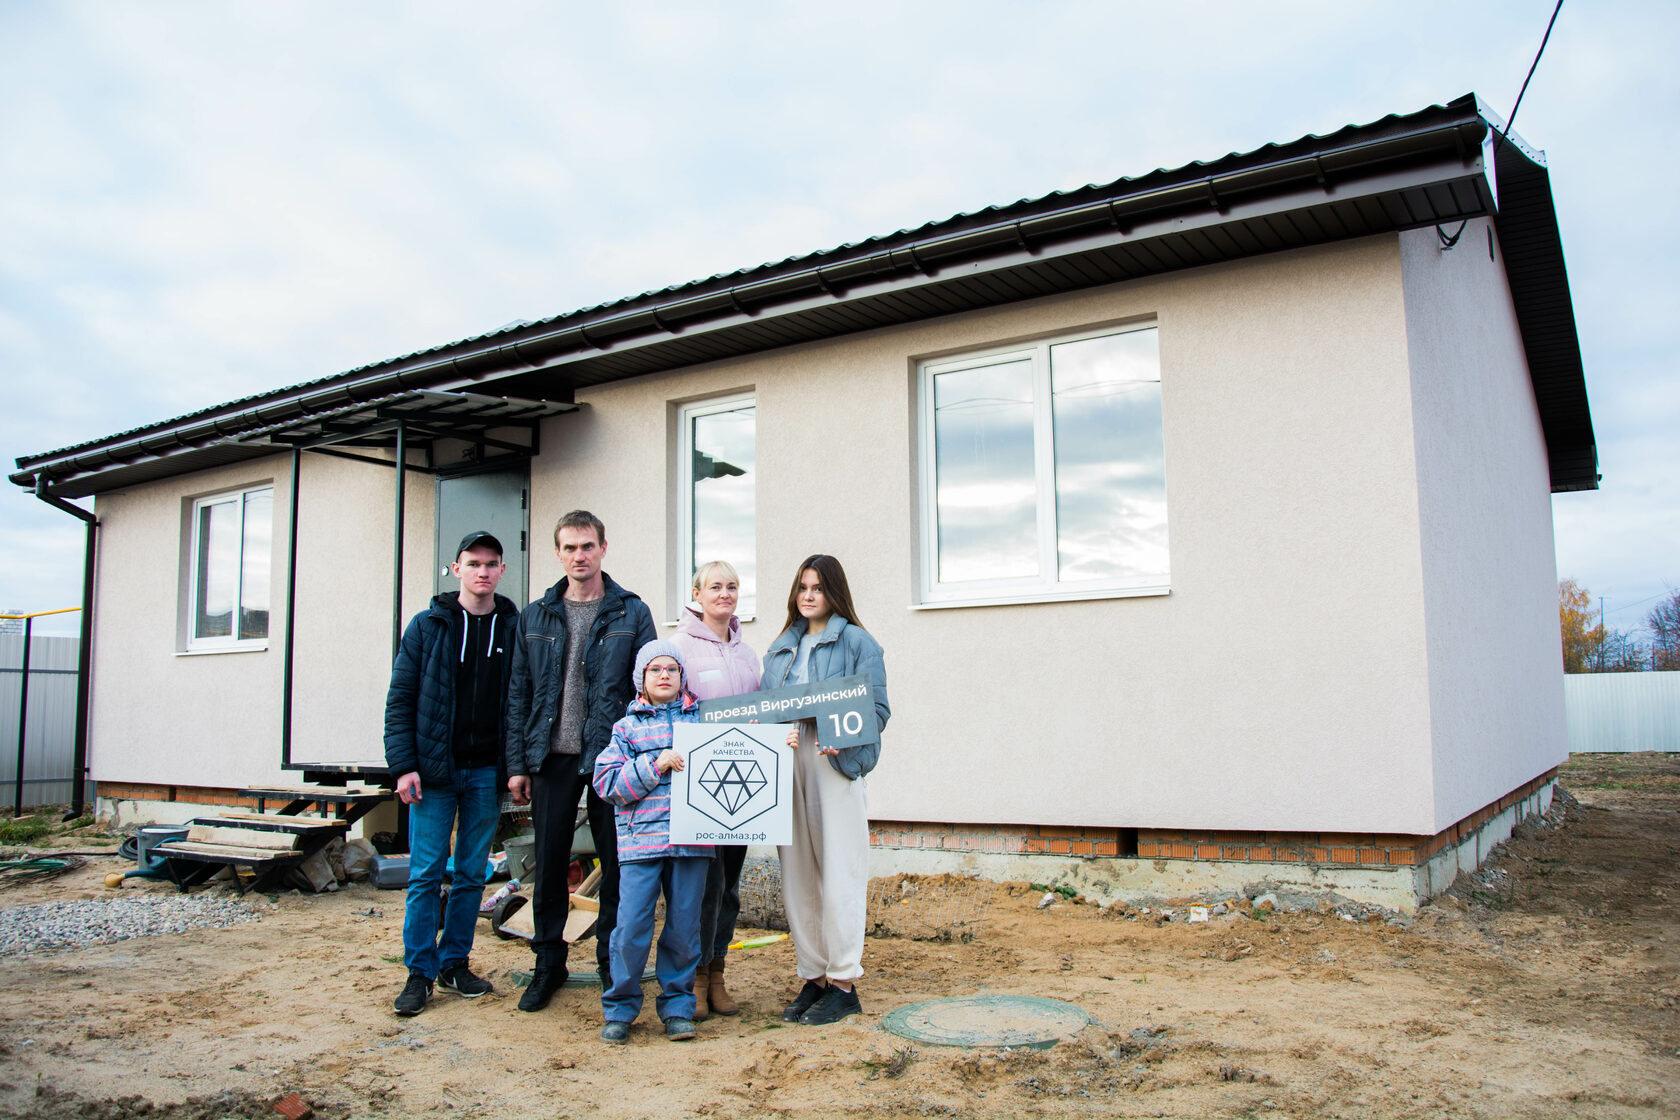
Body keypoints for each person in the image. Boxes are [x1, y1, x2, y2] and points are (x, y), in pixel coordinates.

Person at [504, 510, 656, 1011]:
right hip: (551, 759)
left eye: (587, 546)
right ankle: (548, 963)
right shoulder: (536, 614)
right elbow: (519, 694)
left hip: (612, 760)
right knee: (548, 866)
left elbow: (648, 690)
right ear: (557, 553)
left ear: (603, 549)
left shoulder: (632, 612)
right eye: (569, 548)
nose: (579, 556)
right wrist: (517, 764)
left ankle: (611, 963)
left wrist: (646, 760)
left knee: (617, 865)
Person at [383, 530, 518, 1016]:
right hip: (433, 775)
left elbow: (518, 704)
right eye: (473, 562)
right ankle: (418, 973)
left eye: (491, 563)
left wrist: (514, 768)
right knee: (424, 876)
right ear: (456, 568)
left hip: (485, 773)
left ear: (502, 571)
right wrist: (403, 766)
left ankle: (454, 962)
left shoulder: (512, 628)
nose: (482, 571)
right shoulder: (427, 626)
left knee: (469, 876)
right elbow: (400, 700)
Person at [760, 554, 889, 1026]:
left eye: (817, 587)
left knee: (840, 872)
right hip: (787, 759)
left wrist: (843, 739)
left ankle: (844, 983)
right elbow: (766, 707)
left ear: (834, 591)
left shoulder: (858, 641)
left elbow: (876, 709)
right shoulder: (780, 646)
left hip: (831, 761)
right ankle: (813, 976)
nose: (808, 595)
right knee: (796, 874)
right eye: (802, 587)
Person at [592, 640, 713, 1043]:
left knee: (683, 929)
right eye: (655, 670)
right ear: (641, 680)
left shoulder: (703, 723)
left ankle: (678, 1007)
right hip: (641, 844)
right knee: (630, 928)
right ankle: (620, 1009)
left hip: (692, 843)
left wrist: (774, 748)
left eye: (672, 669)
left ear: (682, 677)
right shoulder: (625, 729)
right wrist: (654, 764)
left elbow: (737, 755)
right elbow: (607, 783)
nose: (664, 675)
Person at [669, 560, 761, 1019]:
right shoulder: (678, 647)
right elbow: (668, 709)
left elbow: (762, 714)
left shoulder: (748, 654)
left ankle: (719, 972)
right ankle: (695, 975)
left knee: (728, 887)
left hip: (742, 790)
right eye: (715, 587)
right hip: (698, 783)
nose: (724, 594)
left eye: (732, 586)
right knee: (700, 886)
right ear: (697, 594)